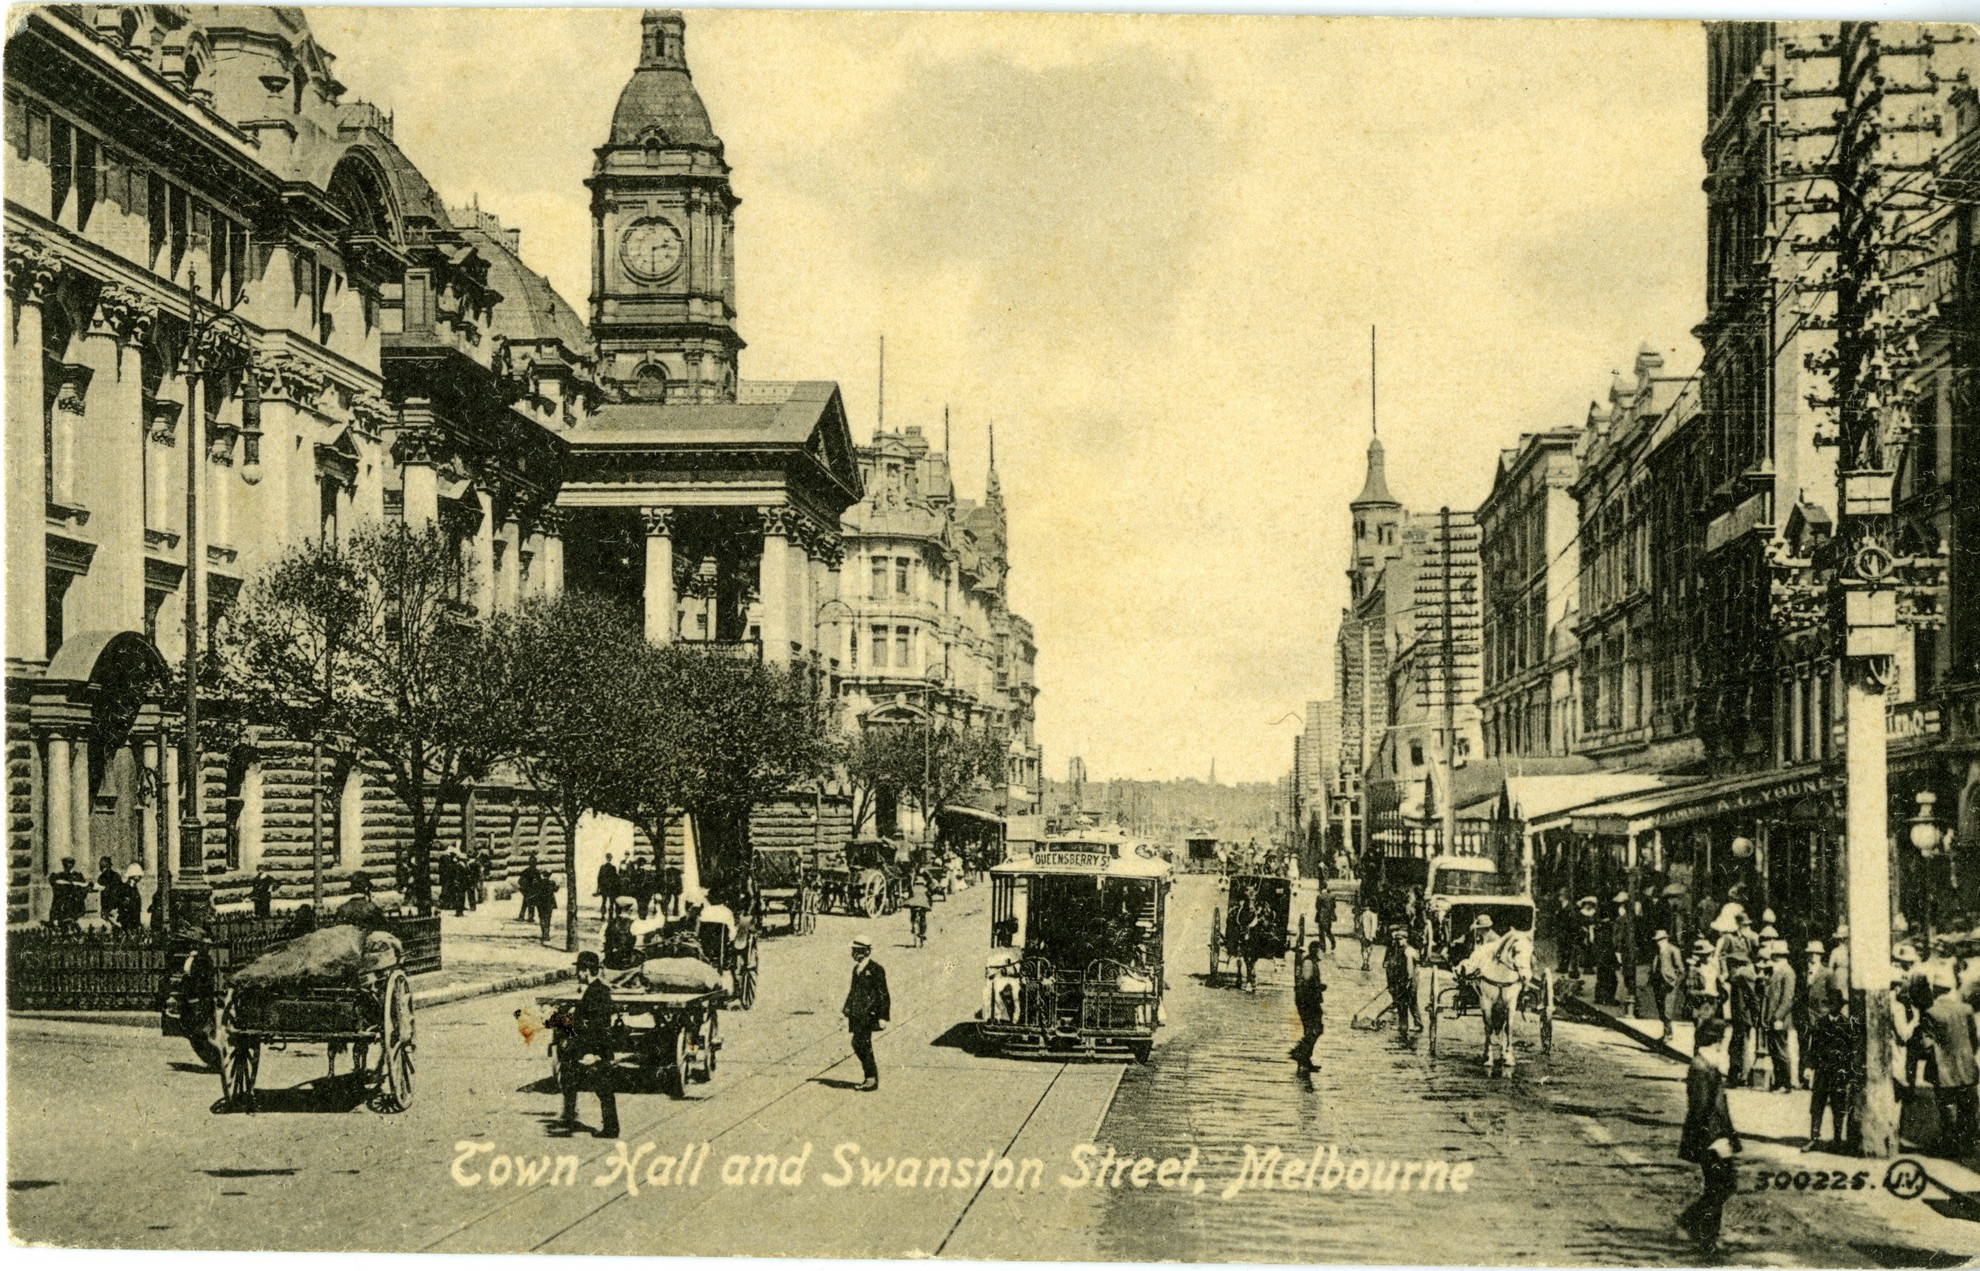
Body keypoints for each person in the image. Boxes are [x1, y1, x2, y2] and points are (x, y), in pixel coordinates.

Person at [1677, 1017, 1743, 1258]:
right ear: (1714, 1041)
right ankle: (1703, 1234)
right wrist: (1715, 1139)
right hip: (1710, 1138)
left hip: (1715, 1136)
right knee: (1720, 1186)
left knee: (1721, 1185)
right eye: (1722, 1041)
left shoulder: (1707, 1066)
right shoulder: (1701, 1068)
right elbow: (1702, 1109)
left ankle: (1698, 1226)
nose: (1724, 1046)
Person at [553, 950, 620, 1139]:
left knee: (603, 1089)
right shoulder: (595, 990)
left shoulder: (597, 993)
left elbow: (598, 1026)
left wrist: (594, 1054)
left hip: (595, 1049)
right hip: (591, 1048)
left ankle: (611, 1128)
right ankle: (571, 1115)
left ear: (586, 970)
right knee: (571, 1077)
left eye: (579, 970)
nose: (577, 974)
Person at [1921, 969, 1980, 1161]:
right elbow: (1974, 1039)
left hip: (1943, 1069)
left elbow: (1926, 1045)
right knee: (1968, 1107)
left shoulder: (1931, 1013)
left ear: (1935, 989)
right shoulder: (1966, 1009)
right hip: (1967, 1067)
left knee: (1948, 1107)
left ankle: (1950, 1147)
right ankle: (1968, 1146)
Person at [1803, 991, 1853, 1151]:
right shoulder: (1820, 1024)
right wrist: (1809, 1067)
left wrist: (1849, 1072)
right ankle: (1813, 1138)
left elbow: (1850, 1051)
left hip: (1839, 1072)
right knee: (1817, 1105)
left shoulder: (1846, 1025)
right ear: (1828, 1005)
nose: (1835, 1007)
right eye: (1832, 1004)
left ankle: (1837, 1140)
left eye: (1838, 1005)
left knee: (1838, 1106)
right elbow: (1813, 1048)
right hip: (1822, 1072)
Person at [843, 935, 890, 1092]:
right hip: (857, 1013)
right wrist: (846, 1009)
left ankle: (871, 1078)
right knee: (858, 1043)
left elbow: (883, 994)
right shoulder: (856, 970)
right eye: (853, 951)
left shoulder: (876, 969)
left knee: (862, 1043)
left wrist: (883, 1017)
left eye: (857, 951)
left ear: (866, 951)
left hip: (868, 1013)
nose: (854, 954)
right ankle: (870, 1077)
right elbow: (853, 991)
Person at [1763, 941, 1798, 1092]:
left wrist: (1777, 1017)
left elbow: (1788, 999)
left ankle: (1785, 1083)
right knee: (1775, 1051)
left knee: (1781, 1051)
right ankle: (1779, 1082)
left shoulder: (1787, 972)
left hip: (1780, 1019)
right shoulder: (1777, 971)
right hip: (1773, 1018)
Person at [1290, 940, 1327, 1072]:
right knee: (1315, 1028)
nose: (1323, 953)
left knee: (1312, 1029)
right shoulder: (1309, 963)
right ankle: (1301, 1054)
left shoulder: (1312, 962)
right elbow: (1306, 980)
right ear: (1316, 951)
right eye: (1322, 950)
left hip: (1310, 1000)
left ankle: (1305, 1059)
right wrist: (1319, 986)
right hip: (1307, 1001)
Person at [1384, 924, 1421, 1039]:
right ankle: (1403, 1025)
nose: (1399, 942)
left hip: (1410, 980)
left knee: (1410, 1001)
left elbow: (1410, 968)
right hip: (1402, 980)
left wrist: (1408, 980)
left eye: (1401, 939)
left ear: (1405, 939)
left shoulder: (1408, 951)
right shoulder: (1397, 950)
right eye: (1397, 940)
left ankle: (1417, 1024)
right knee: (1402, 1003)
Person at [1651, 928, 1684, 1043]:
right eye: (1656, 940)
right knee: (1661, 1009)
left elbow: (1680, 969)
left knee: (1668, 1009)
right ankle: (1666, 1032)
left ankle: (1668, 1034)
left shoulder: (1673, 950)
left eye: (1660, 940)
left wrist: (1674, 982)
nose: (1658, 942)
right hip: (1658, 982)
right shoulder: (1657, 951)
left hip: (1669, 984)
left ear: (1665, 939)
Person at [48, 857, 90, 929]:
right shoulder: (60, 875)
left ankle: (69, 921)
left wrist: (78, 891)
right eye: (64, 864)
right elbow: (53, 881)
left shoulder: (77, 875)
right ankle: (59, 922)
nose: (66, 866)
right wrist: (68, 883)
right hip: (63, 899)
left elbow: (84, 887)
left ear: (72, 865)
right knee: (58, 902)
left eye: (69, 864)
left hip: (74, 899)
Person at [906, 874, 931, 947]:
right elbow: (929, 898)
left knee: (912, 916)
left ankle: (913, 926)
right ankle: (923, 933)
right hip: (922, 906)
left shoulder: (913, 888)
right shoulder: (925, 889)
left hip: (914, 905)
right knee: (923, 919)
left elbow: (909, 897)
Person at [517, 854, 543, 924]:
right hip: (531, 891)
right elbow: (540, 882)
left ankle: (522, 916)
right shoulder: (536, 872)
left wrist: (523, 887)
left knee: (525, 903)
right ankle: (530, 917)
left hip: (527, 891)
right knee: (530, 904)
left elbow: (519, 881)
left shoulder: (527, 871)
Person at [535, 871, 557, 943]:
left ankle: (543, 933)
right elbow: (555, 889)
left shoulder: (538, 883)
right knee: (548, 918)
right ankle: (546, 934)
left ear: (542, 875)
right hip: (549, 903)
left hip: (540, 903)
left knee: (542, 918)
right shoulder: (552, 883)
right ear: (549, 876)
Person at [1355, 904, 1378, 972]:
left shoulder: (1362, 914)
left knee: (1363, 948)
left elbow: (1358, 925)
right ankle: (1366, 962)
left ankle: (1365, 962)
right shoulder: (1373, 915)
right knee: (1368, 948)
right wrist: (1372, 935)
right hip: (1368, 935)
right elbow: (1374, 926)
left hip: (1363, 934)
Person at [597, 853, 619, 923]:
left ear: (606, 858)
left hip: (604, 887)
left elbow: (599, 878)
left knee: (604, 902)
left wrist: (598, 887)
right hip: (611, 888)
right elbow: (615, 878)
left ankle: (603, 916)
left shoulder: (602, 867)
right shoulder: (613, 867)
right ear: (611, 858)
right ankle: (610, 916)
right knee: (611, 902)